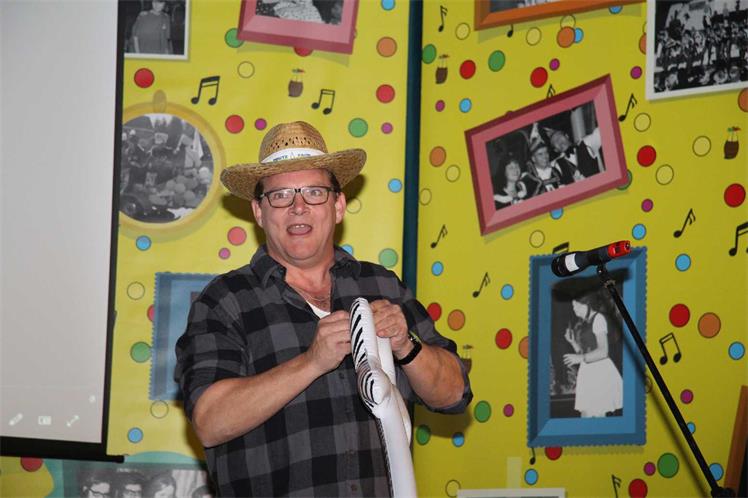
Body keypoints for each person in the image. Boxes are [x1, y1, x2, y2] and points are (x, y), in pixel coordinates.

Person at [175, 121, 472, 496]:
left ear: (338, 206)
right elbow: (209, 421)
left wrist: (406, 345)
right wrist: (311, 362)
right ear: (259, 212)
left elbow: (455, 393)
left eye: (314, 192)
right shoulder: (224, 300)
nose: (298, 207)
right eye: (281, 195)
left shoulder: (382, 285)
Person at [561, 292, 623, 418]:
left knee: (595, 415)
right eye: (573, 307)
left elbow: (603, 351)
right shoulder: (585, 323)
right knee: (587, 415)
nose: (574, 309)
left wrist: (580, 358)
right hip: (589, 371)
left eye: (576, 306)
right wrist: (573, 342)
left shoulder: (598, 318)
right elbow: (585, 354)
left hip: (599, 372)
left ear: (587, 304)